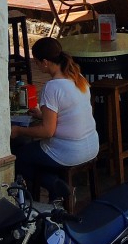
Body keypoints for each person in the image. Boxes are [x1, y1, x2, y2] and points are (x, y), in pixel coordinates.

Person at [10, 37, 98, 188]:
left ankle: (54, 185)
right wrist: (41, 115)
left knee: (20, 157)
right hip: (91, 146)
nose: (36, 66)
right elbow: (69, 113)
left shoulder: (52, 87)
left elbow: (47, 131)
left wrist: (18, 130)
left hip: (69, 151)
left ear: (45, 62)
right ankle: (55, 183)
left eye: (36, 62)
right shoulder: (78, 77)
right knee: (34, 152)